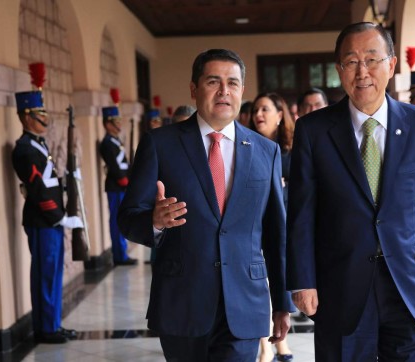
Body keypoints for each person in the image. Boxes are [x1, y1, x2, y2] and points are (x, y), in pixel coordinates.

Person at [286, 22, 415, 360]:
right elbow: (301, 213)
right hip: (342, 285)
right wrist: (302, 280)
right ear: (339, 71)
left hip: (409, 284)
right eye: (351, 62)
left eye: (372, 59)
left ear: (391, 66)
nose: (362, 71)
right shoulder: (314, 130)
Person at [117, 48, 293, 361]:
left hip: (243, 304)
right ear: (194, 89)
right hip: (182, 303)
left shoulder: (266, 152)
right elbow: (127, 218)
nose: (224, 91)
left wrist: (281, 303)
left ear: (242, 90)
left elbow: (276, 235)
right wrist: (155, 221)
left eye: (233, 83)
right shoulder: (161, 145)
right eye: (214, 82)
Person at [12, 89, 81, 344]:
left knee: (52, 275)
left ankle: (53, 323)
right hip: (42, 220)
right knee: (45, 275)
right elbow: (39, 190)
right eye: (40, 114)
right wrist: (58, 216)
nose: (45, 119)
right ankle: (45, 329)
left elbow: (49, 180)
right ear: (27, 117)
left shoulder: (37, 144)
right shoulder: (23, 149)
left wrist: (67, 183)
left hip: (49, 219)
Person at [250, 92, 295, 362]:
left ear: (280, 115)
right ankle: (266, 346)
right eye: (256, 109)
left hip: (285, 229)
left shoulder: (292, 152)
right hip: (256, 231)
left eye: (265, 109)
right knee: (260, 287)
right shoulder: (248, 148)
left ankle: (280, 343)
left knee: (278, 285)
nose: (259, 115)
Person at [99, 105, 137, 266]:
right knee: (117, 221)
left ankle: (122, 252)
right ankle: (119, 255)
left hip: (123, 186)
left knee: (122, 220)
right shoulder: (107, 143)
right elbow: (115, 168)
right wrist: (127, 183)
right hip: (117, 187)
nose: (119, 125)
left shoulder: (115, 141)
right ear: (108, 124)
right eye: (116, 122)